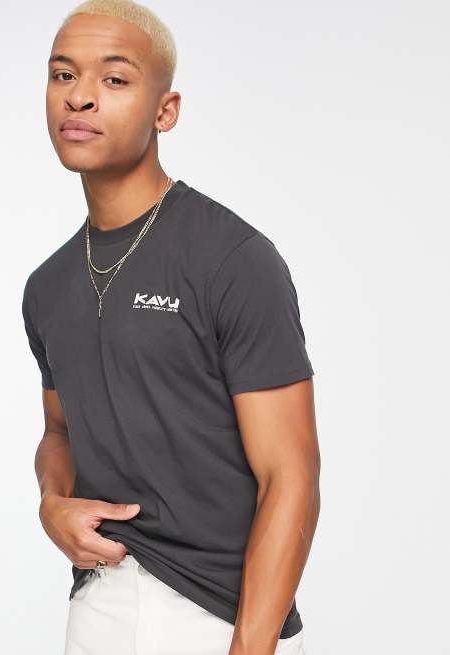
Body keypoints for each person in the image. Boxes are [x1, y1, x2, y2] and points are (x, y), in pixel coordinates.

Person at [21, 1, 321, 653]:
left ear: (166, 111)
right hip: (99, 606)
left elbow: (291, 477)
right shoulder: (47, 286)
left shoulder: (232, 259)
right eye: (63, 74)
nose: (80, 97)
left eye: (114, 79)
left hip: (222, 615)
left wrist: (252, 645)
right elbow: (59, 431)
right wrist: (52, 502)